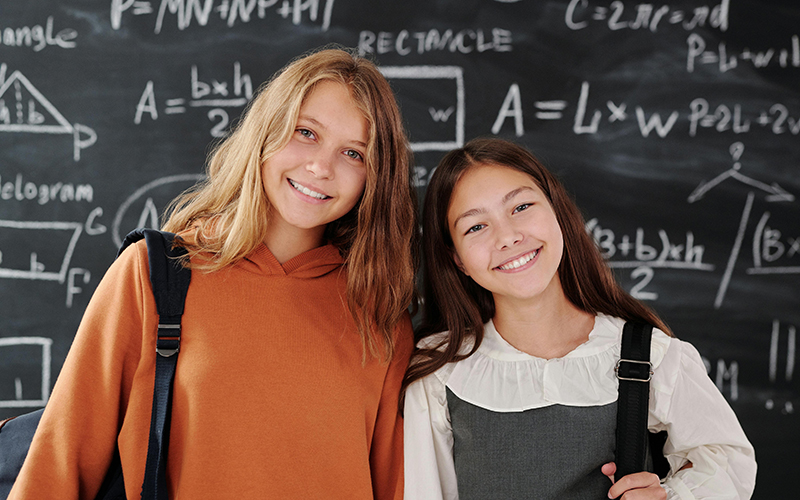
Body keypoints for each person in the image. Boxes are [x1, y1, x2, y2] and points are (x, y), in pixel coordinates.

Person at [10, 47, 418, 499]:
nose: (321, 167)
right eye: (305, 133)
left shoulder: (378, 318)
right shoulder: (155, 275)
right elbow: (58, 461)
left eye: (354, 154)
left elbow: (395, 489)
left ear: (374, 178)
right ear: (265, 131)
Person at [402, 137, 756, 499]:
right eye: (476, 227)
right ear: (457, 259)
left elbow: (728, 460)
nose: (508, 237)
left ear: (557, 210)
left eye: (521, 206)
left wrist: (670, 496)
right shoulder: (441, 371)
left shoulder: (646, 355)